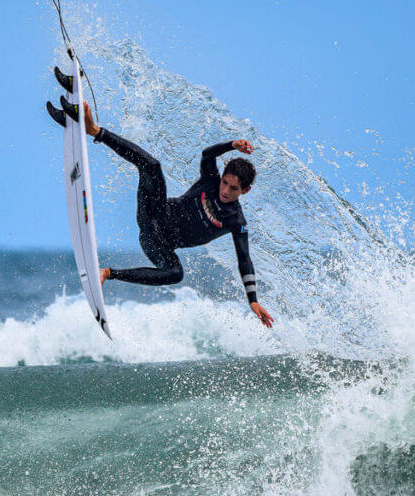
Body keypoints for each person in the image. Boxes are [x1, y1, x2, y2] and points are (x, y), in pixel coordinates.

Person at [47, 98, 274, 328]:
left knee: (176, 273)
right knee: (152, 167)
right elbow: (207, 155)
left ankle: (107, 273)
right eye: (224, 182)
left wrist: (252, 300)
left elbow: (244, 258)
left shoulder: (236, 221)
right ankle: (94, 130)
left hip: (157, 244)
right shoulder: (210, 181)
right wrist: (231, 145)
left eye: (233, 188)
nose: (224, 190)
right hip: (153, 212)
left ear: (245, 190)